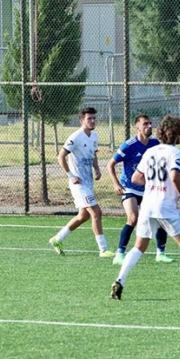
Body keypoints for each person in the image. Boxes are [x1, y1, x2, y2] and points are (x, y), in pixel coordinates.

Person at [111, 115, 180, 301]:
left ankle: (120, 281)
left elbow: (136, 178)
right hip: (165, 206)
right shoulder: (176, 153)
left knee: (139, 246)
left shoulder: (151, 151)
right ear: (177, 133)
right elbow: (174, 176)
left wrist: (153, 182)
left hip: (147, 205)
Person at [107, 114, 173, 265]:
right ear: (137, 127)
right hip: (129, 187)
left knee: (160, 218)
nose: (149, 126)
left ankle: (161, 253)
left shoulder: (155, 143)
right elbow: (110, 164)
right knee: (133, 218)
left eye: (150, 123)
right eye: (145, 124)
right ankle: (119, 253)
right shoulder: (129, 145)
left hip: (148, 189)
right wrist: (116, 184)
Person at [49, 107, 114, 257]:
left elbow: (93, 154)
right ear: (82, 120)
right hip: (79, 184)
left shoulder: (95, 136)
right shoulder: (76, 136)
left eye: (94, 118)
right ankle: (103, 249)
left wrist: (97, 168)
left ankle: (57, 239)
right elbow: (61, 157)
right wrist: (71, 175)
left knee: (83, 216)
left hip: (88, 181)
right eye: (89, 118)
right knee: (97, 212)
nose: (92, 121)